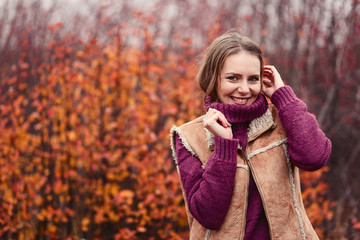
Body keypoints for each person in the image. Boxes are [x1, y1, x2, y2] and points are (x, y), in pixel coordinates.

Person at [170, 30, 332, 240]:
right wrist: (224, 147)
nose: (244, 89)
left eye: (253, 79)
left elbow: (315, 158)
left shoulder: (282, 118)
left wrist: (283, 96)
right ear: (213, 79)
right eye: (233, 78)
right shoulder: (189, 136)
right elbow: (208, 215)